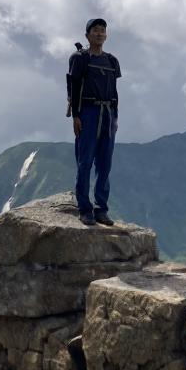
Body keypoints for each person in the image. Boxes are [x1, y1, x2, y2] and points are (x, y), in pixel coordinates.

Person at [68, 18, 121, 226]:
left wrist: (115, 117)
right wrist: (76, 116)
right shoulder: (79, 58)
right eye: (95, 31)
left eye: (102, 31)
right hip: (88, 112)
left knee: (105, 163)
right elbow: (73, 87)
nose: (99, 34)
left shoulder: (112, 61)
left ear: (106, 35)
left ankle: (101, 209)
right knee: (85, 162)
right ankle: (84, 208)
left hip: (108, 112)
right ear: (87, 35)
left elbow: (115, 90)